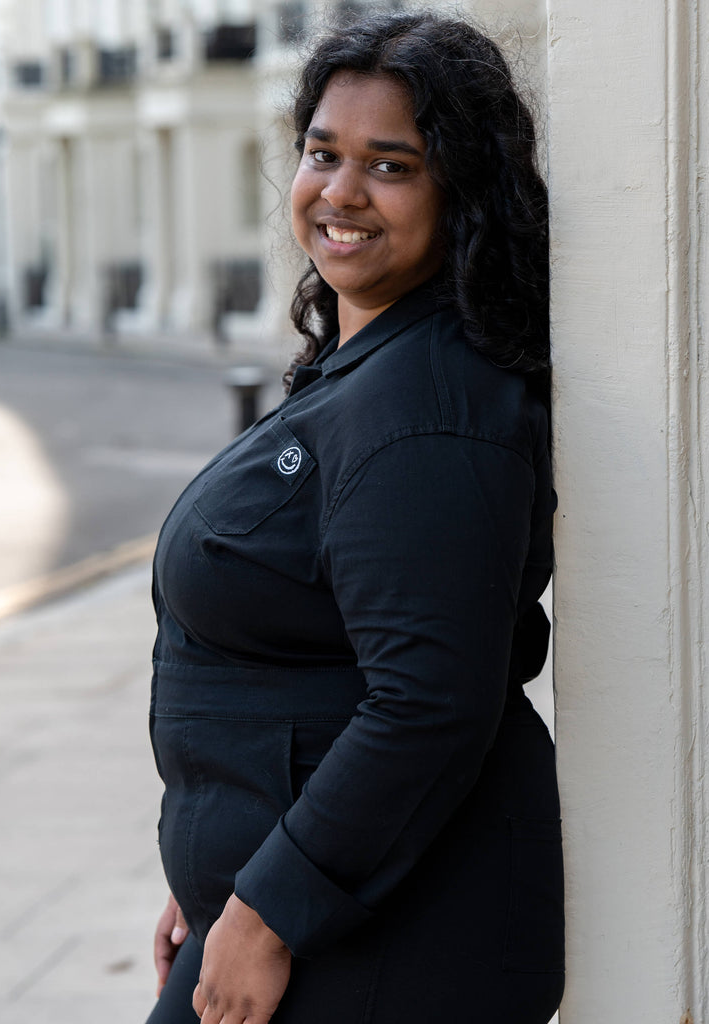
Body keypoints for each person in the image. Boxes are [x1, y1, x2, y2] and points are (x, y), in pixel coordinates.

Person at [146, 10, 564, 1023]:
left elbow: (428, 704)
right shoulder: (373, 364)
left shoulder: (428, 410)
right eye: (323, 152)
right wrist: (216, 875)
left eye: (391, 165)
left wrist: (264, 911)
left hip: (382, 938)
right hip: (308, 902)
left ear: (461, 192)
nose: (340, 191)